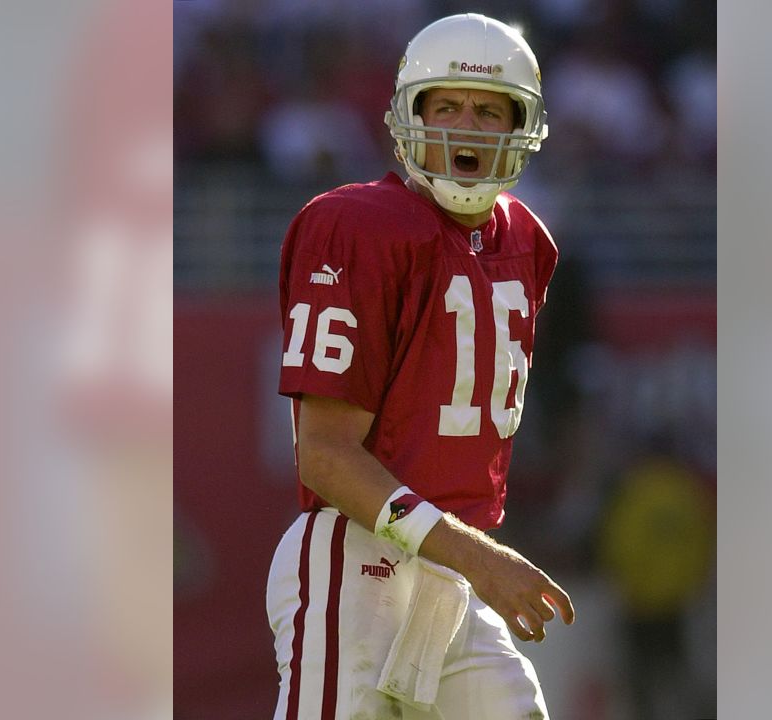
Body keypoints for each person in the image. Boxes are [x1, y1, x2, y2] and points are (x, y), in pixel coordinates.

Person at [265, 13, 574, 720]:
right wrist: (481, 558)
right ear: (411, 118)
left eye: (489, 111)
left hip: (449, 579)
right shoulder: (358, 226)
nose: (466, 126)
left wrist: (469, 560)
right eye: (447, 107)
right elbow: (325, 457)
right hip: (354, 562)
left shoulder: (526, 240)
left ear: (520, 127)